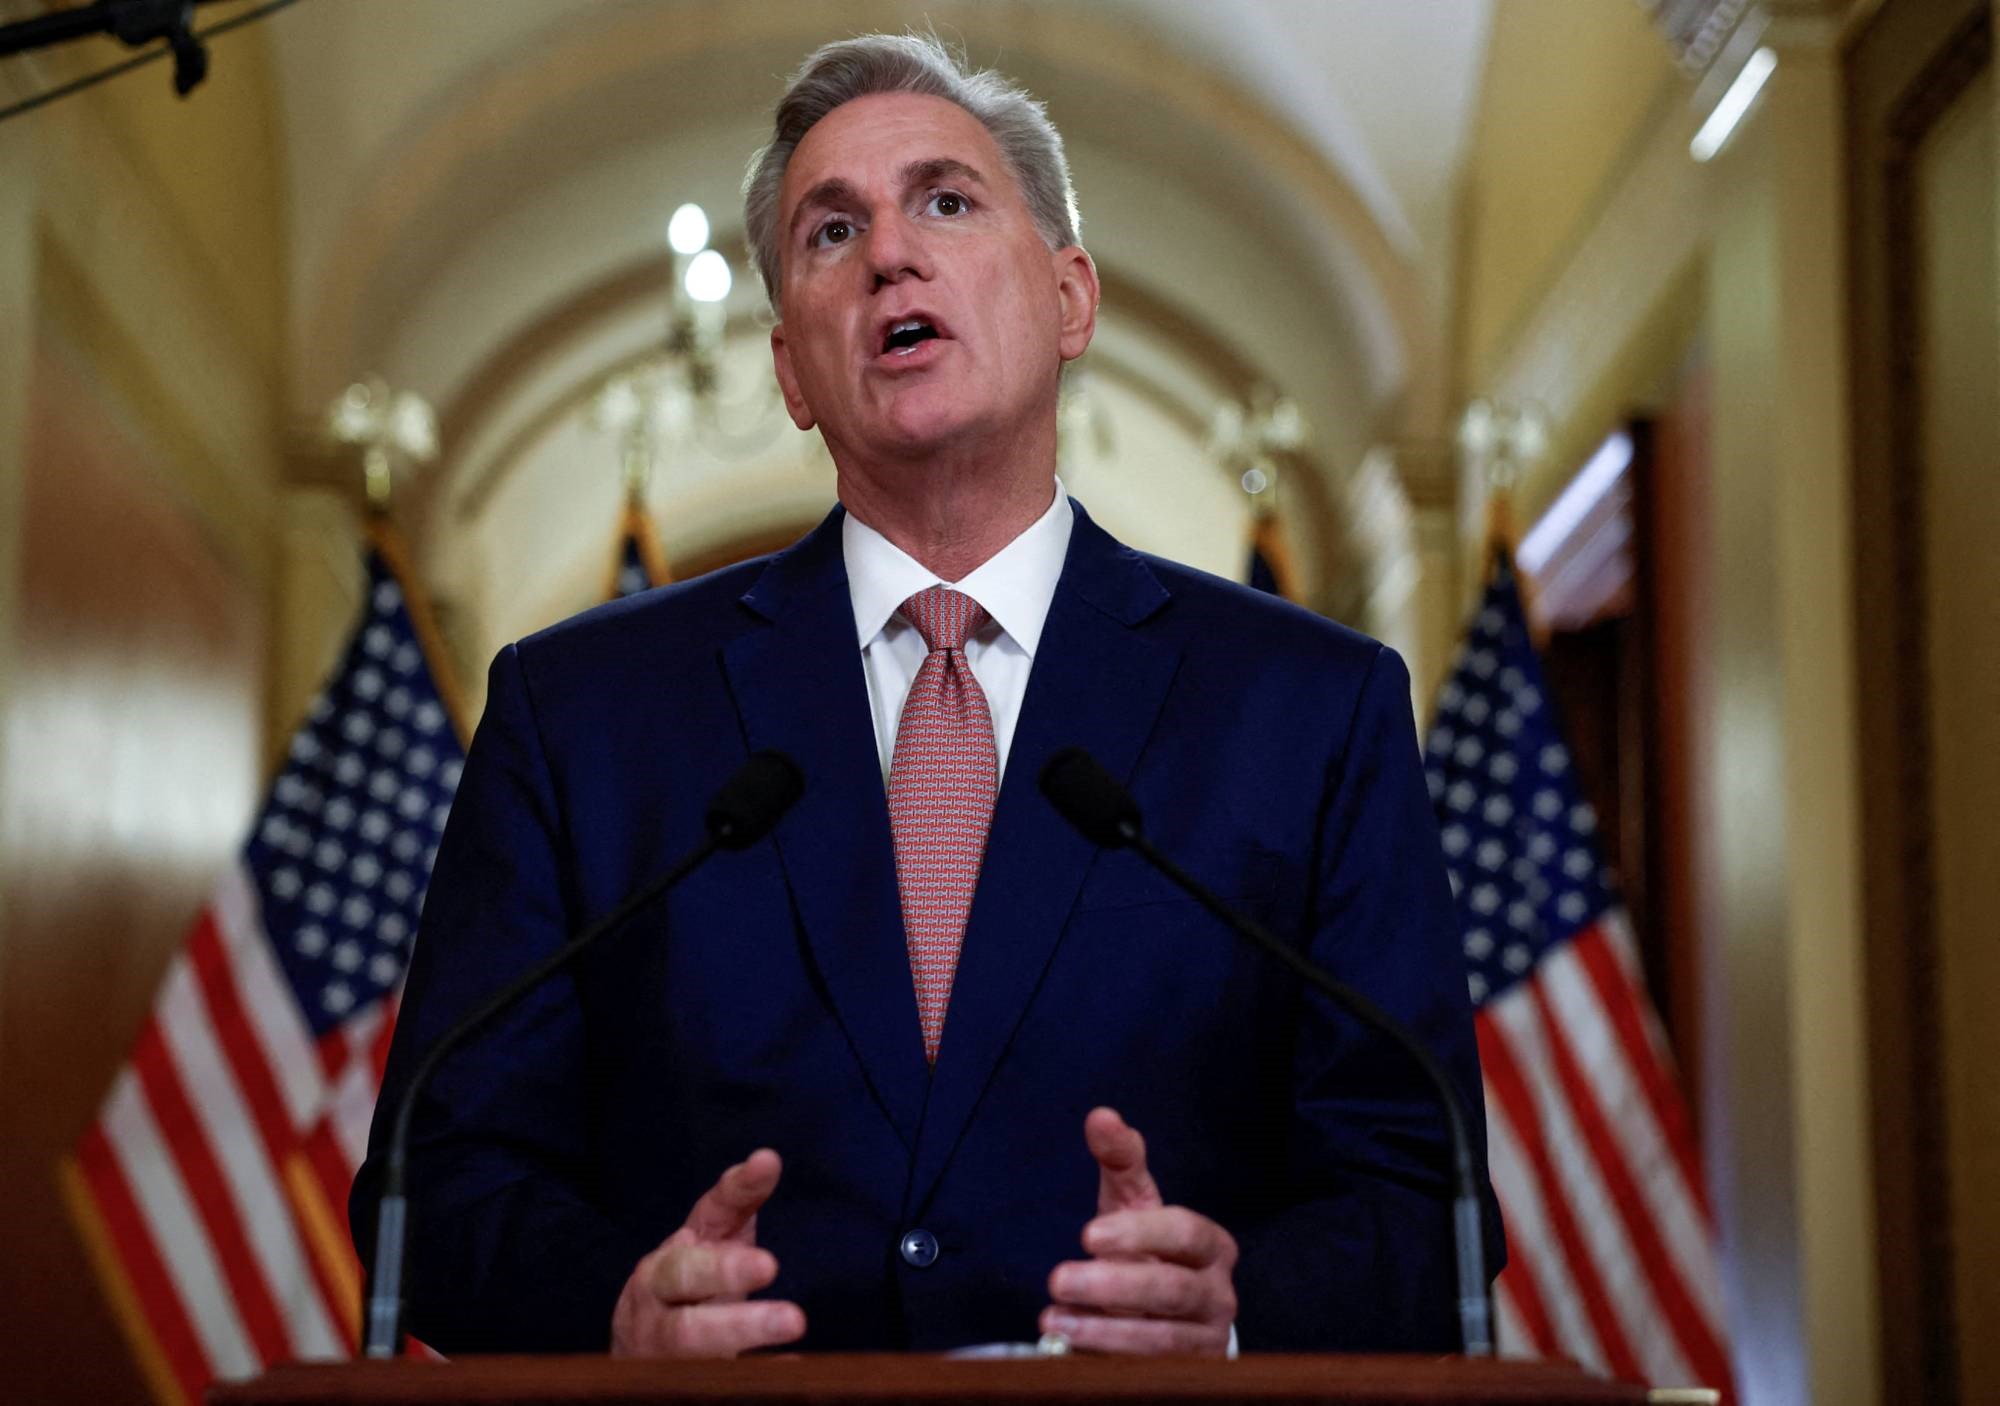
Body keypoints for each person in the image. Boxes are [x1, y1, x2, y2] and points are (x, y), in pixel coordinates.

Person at [355, 33, 1500, 1359]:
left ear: (1071, 298)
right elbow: (431, 1180)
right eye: (830, 232)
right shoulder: (582, 716)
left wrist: (1236, 1311)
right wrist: (611, 1307)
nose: (891, 252)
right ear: (791, 368)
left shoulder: (1312, 710)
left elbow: (1430, 1202)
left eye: (947, 201)